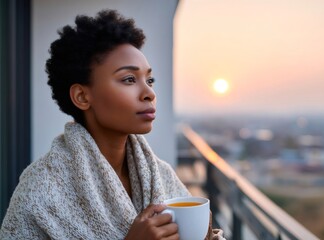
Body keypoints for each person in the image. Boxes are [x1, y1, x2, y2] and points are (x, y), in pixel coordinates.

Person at [0, 10, 224, 240]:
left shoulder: (161, 174)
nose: (149, 93)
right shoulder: (40, 191)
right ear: (82, 96)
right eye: (129, 79)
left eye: (149, 80)